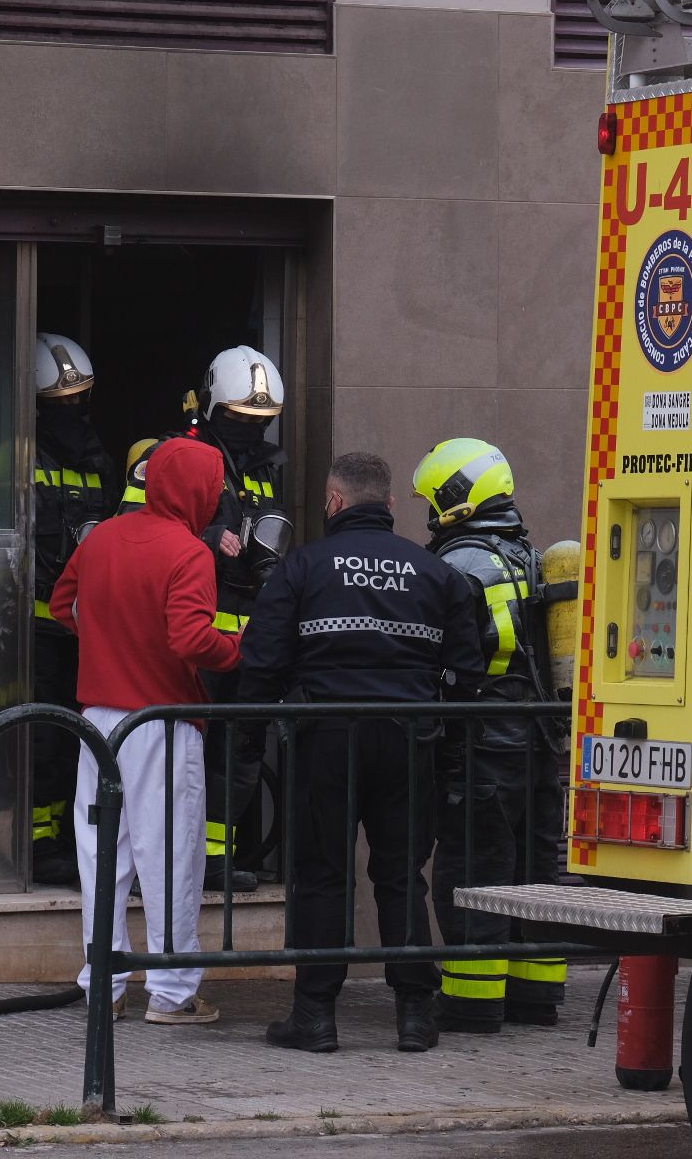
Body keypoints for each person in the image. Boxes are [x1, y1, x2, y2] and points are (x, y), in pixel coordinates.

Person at [240, 451, 484, 1054]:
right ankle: (414, 1016)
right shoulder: (433, 571)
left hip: (326, 739)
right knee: (402, 876)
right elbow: (467, 666)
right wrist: (437, 722)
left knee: (323, 875)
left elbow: (262, 661)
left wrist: (247, 737)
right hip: (408, 740)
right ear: (392, 506)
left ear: (333, 502)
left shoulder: (302, 567)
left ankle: (316, 1016)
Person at [49, 438, 242, 1025]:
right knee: (171, 859)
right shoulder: (190, 552)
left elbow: (64, 606)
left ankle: (103, 986)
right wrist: (238, 649)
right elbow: (189, 638)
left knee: (101, 859)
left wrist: (112, 640)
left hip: (98, 723)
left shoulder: (102, 536)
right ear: (199, 492)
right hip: (162, 723)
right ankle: (172, 994)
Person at [121, 346, 293, 893]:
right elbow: (134, 531)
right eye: (240, 418)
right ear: (213, 406)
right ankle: (169, 858)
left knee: (242, 747)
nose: (249, 429)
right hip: (190, 638)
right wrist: (203, 542)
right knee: (178, 751)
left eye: (260, 422)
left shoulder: (266, 469)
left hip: (249, 636)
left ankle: (214, 857)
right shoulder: (171, 459)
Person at [412, 438, 568, 1032]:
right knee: (536, 869)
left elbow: (454, 659)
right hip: (537, 742)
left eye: (434, 500)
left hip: (482, 744)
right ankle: (536, 997)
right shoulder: (528, 556)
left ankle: (472, 1003)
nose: (428, 514)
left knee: (474, 870)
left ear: (457, 498)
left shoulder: (461, 565)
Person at [26, 333, 117, 886]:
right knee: (39, 737)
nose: (72, 410)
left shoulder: (97, 459)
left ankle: (62, 838)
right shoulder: (10, 456)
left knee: (72, 738)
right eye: (60, 402)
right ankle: (35, 842)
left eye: (79, 398)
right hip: (31, 628)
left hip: (82, 629)